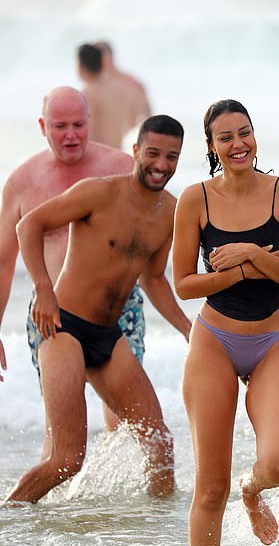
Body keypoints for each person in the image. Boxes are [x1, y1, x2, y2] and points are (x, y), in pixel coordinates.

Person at [5, 114, 190, 504]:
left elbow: (154, 280)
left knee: (160, 447)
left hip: (109, 337)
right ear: (136, 151)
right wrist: (43, 289)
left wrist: (190, 330)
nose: (161, 165)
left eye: (171, 157)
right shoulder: (98, 192)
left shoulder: (171, 212)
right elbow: (28, 227)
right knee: (67, 459)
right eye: (153, 153)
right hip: (62, 328)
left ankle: (155, 541)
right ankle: (12, 519)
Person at [172, 99, 279, 546]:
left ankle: (251, 493)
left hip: (272, 340)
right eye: (226, 137)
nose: (239, 144)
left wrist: (248, 252)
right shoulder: (196, 199)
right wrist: (247, 269)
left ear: (255, 135)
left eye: (245, 132)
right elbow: (184, 284)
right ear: (212, 146)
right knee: (211, 489)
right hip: (214, 339)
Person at [77, 43, 132, 149]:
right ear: (102, 63)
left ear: (80, 66)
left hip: (99, 158)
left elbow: (89, 134)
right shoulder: (119, 91)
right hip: (117, 154)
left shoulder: (86, 95)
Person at [94, 40, 152, 128]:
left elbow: (146, 118)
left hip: (127, 138)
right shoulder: (96, 85)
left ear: (107, 57)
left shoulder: (131, 85)